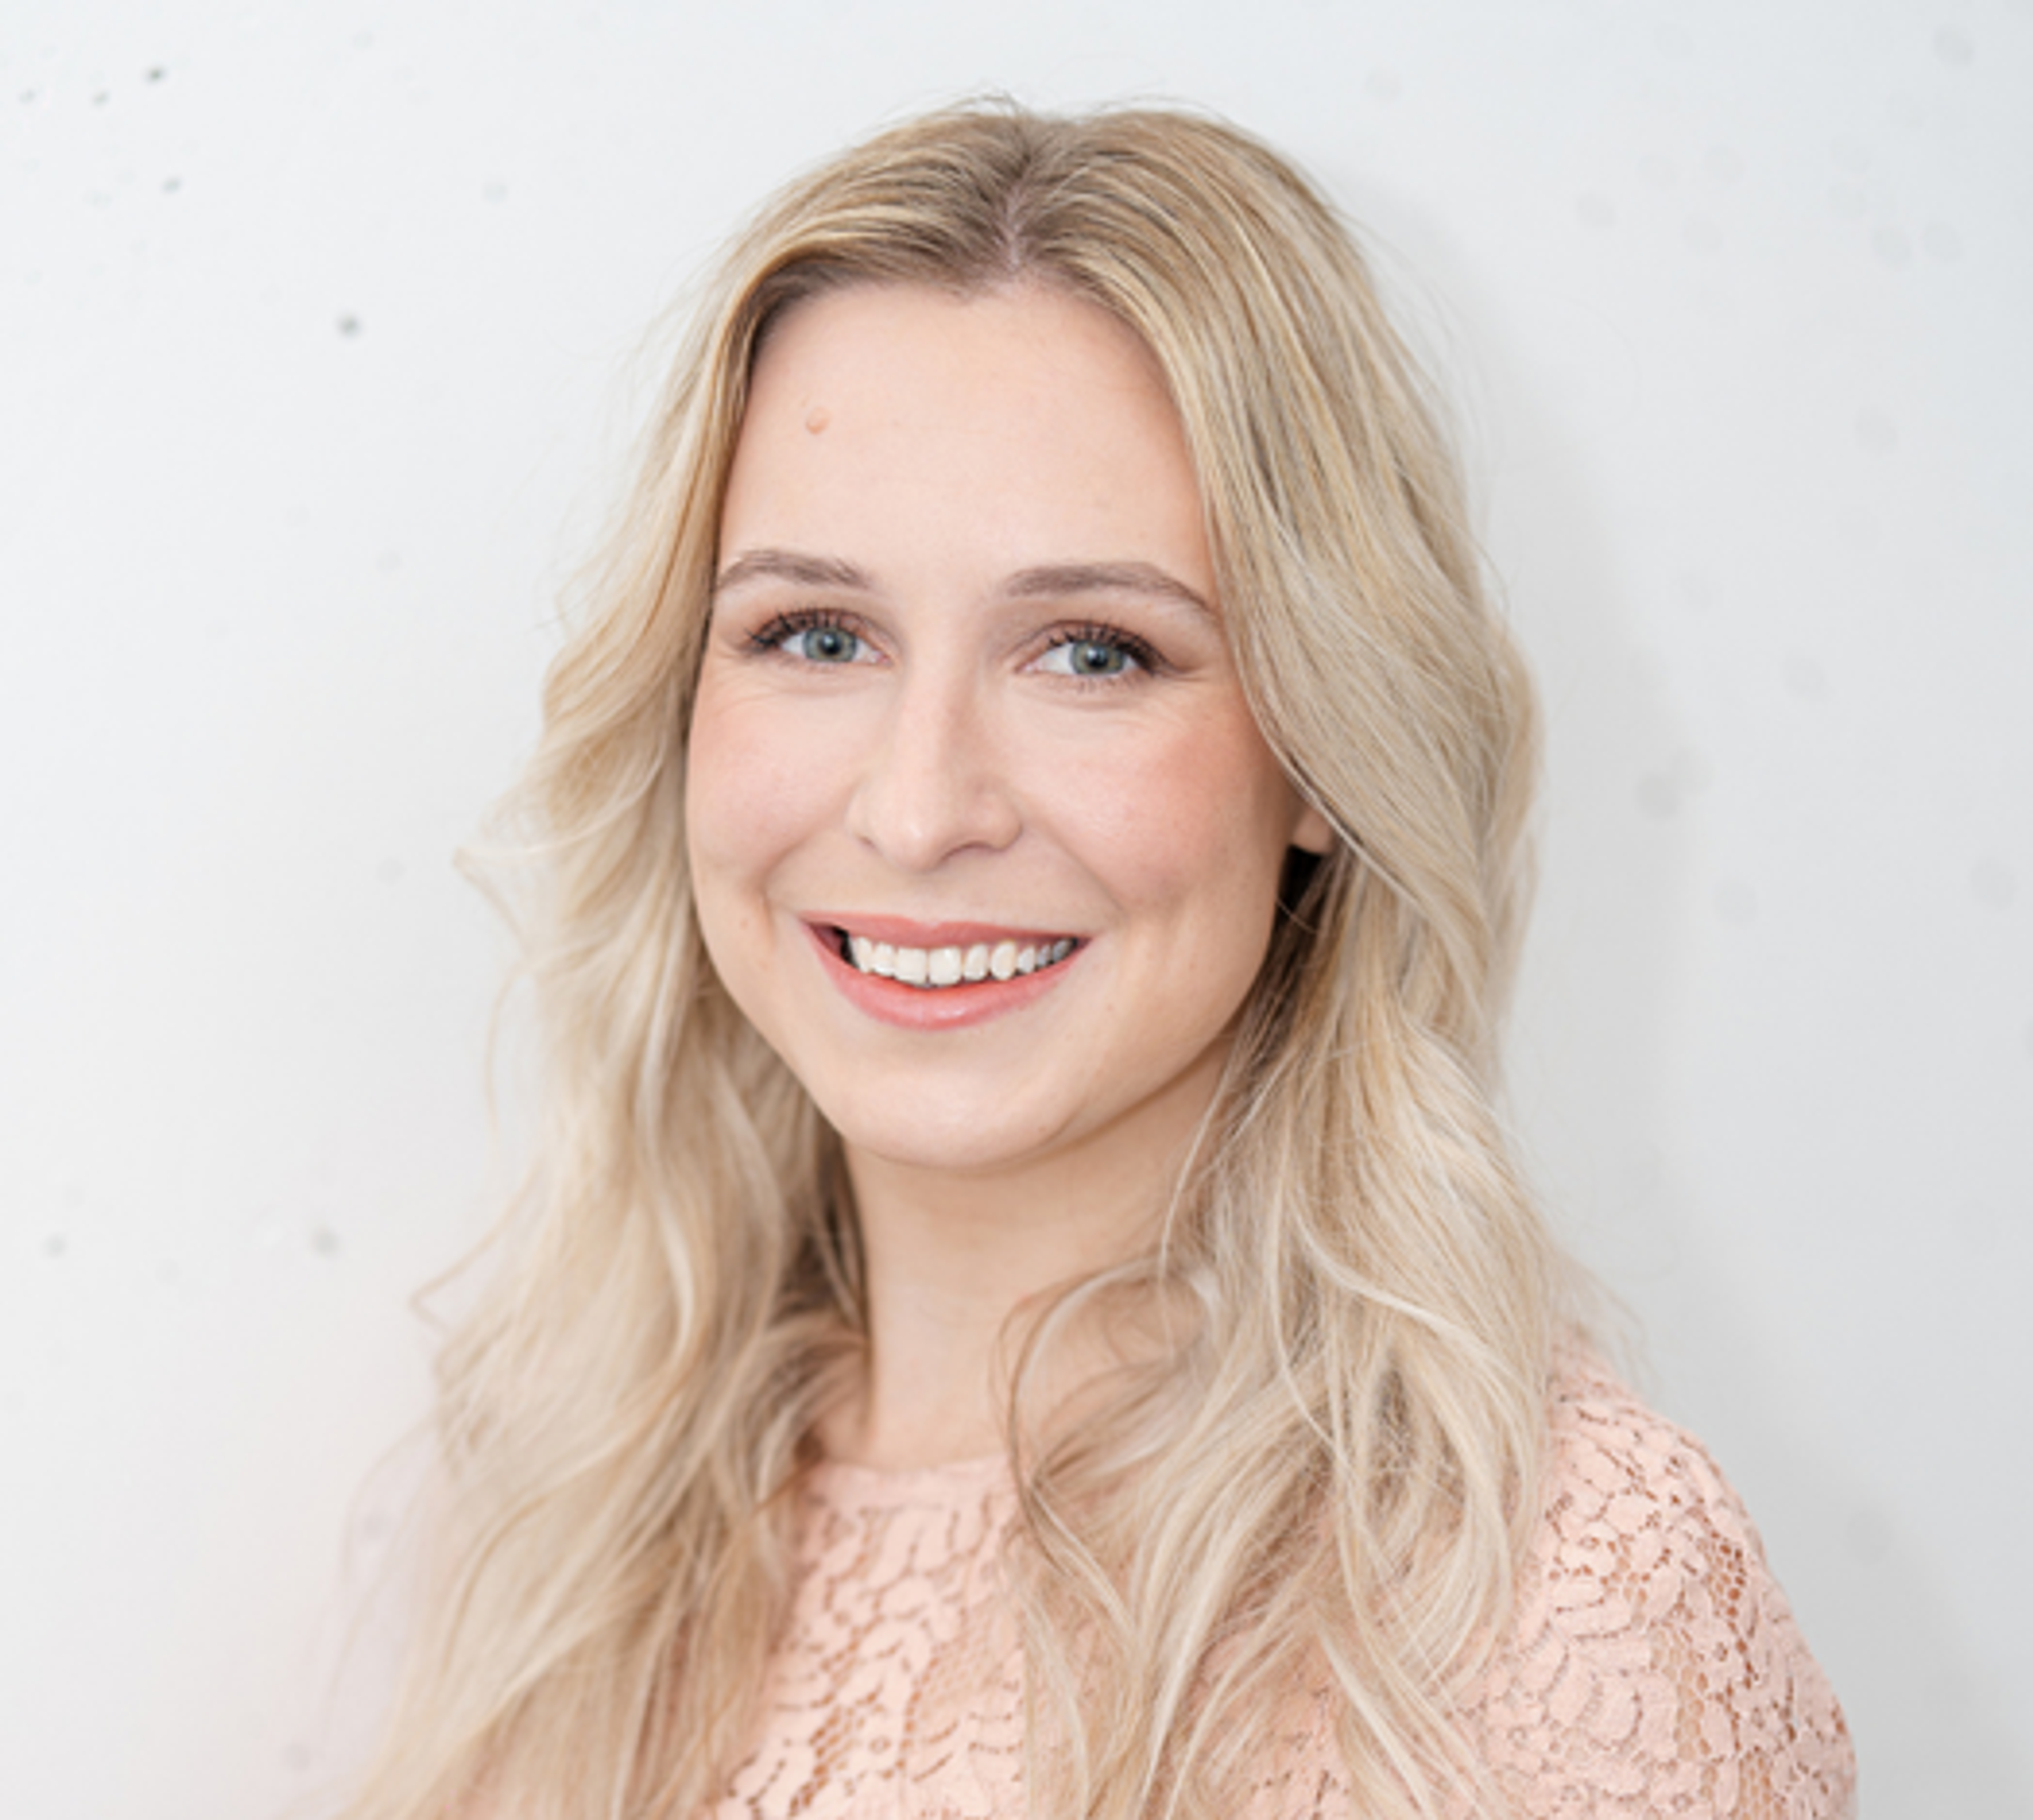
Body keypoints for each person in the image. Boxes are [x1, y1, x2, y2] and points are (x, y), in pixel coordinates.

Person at [343, 103, 1855, 1819]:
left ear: (1321, 752)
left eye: (1092, 653)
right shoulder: (572, 1523)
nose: (920, 809)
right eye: (816, 633)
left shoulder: (1546, 1589)